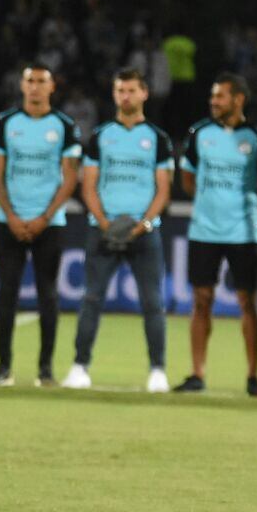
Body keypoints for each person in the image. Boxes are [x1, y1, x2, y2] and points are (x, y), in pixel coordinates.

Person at [62, 68, 173, 393]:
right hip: (104, 230)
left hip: (145, 231)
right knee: (92, 299)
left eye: (131, 90)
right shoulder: (100, 136)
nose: (125, 96)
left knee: (152, 302)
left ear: (144, 94)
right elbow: (89, 185)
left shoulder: (157, 138)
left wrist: (144, 225)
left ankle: (157, 371)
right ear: (114, 95)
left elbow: (163, 190)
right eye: (120, 90)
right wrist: (106, 223)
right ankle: (80, 367)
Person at [174, 73, 257, 396]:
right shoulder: (199, 134)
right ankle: (197, 373)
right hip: (205, 229)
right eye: (213, 97)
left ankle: (252, 376)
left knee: (249, 301)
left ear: (238, 99)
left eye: (220, 97)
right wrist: (210, 203)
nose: (213, 102)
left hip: (244, 232)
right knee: (201, 300)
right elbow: (187, 180)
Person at [0, 64, 82, 387]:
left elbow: (70, 176)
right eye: (30, 81)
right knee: (6, 295)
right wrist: (12, 214)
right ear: (22, 86)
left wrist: (44, 216)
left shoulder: (65, 126)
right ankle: (3, 367)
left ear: (52, 87)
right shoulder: (4, 123)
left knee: (48, 296)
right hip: (8, 222)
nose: (36, 87)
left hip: (49, 223)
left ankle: (45, 369)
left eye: (42, 81)